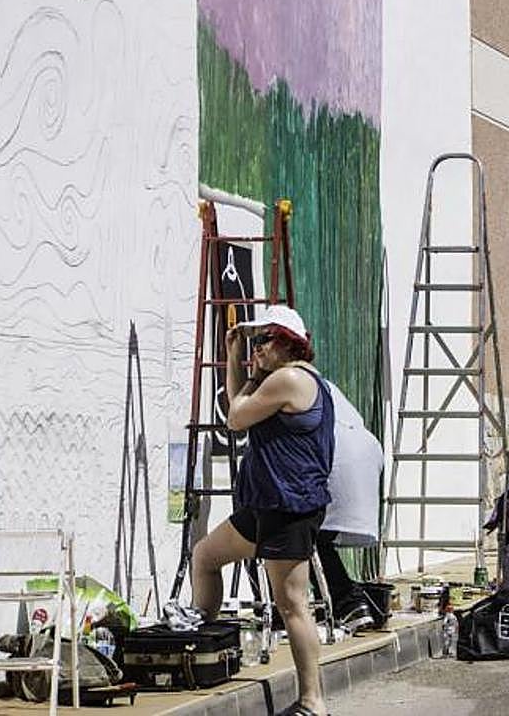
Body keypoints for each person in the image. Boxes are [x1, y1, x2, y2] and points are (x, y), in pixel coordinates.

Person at [191, 305, 334, 716]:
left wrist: (238, 362)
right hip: (265, 504)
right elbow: (239, 410)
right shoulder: (284, 380)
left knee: (292, 604)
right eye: (255, 341)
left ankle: (313, 702)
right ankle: (204, 648)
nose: (257, 348)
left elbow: (236, 417)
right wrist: (242, 361)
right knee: (205, 556)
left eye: (264, 340)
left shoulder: (291, 379)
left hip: (289, 506)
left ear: (289, 344)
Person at [315, 381, 385, 631]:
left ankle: (346, 601)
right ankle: (348, 603)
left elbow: (237, 417)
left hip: (335, 458)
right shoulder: (320, 383)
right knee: (316, 540)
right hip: (362, 454)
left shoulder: (286, 381)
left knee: (297, 537)